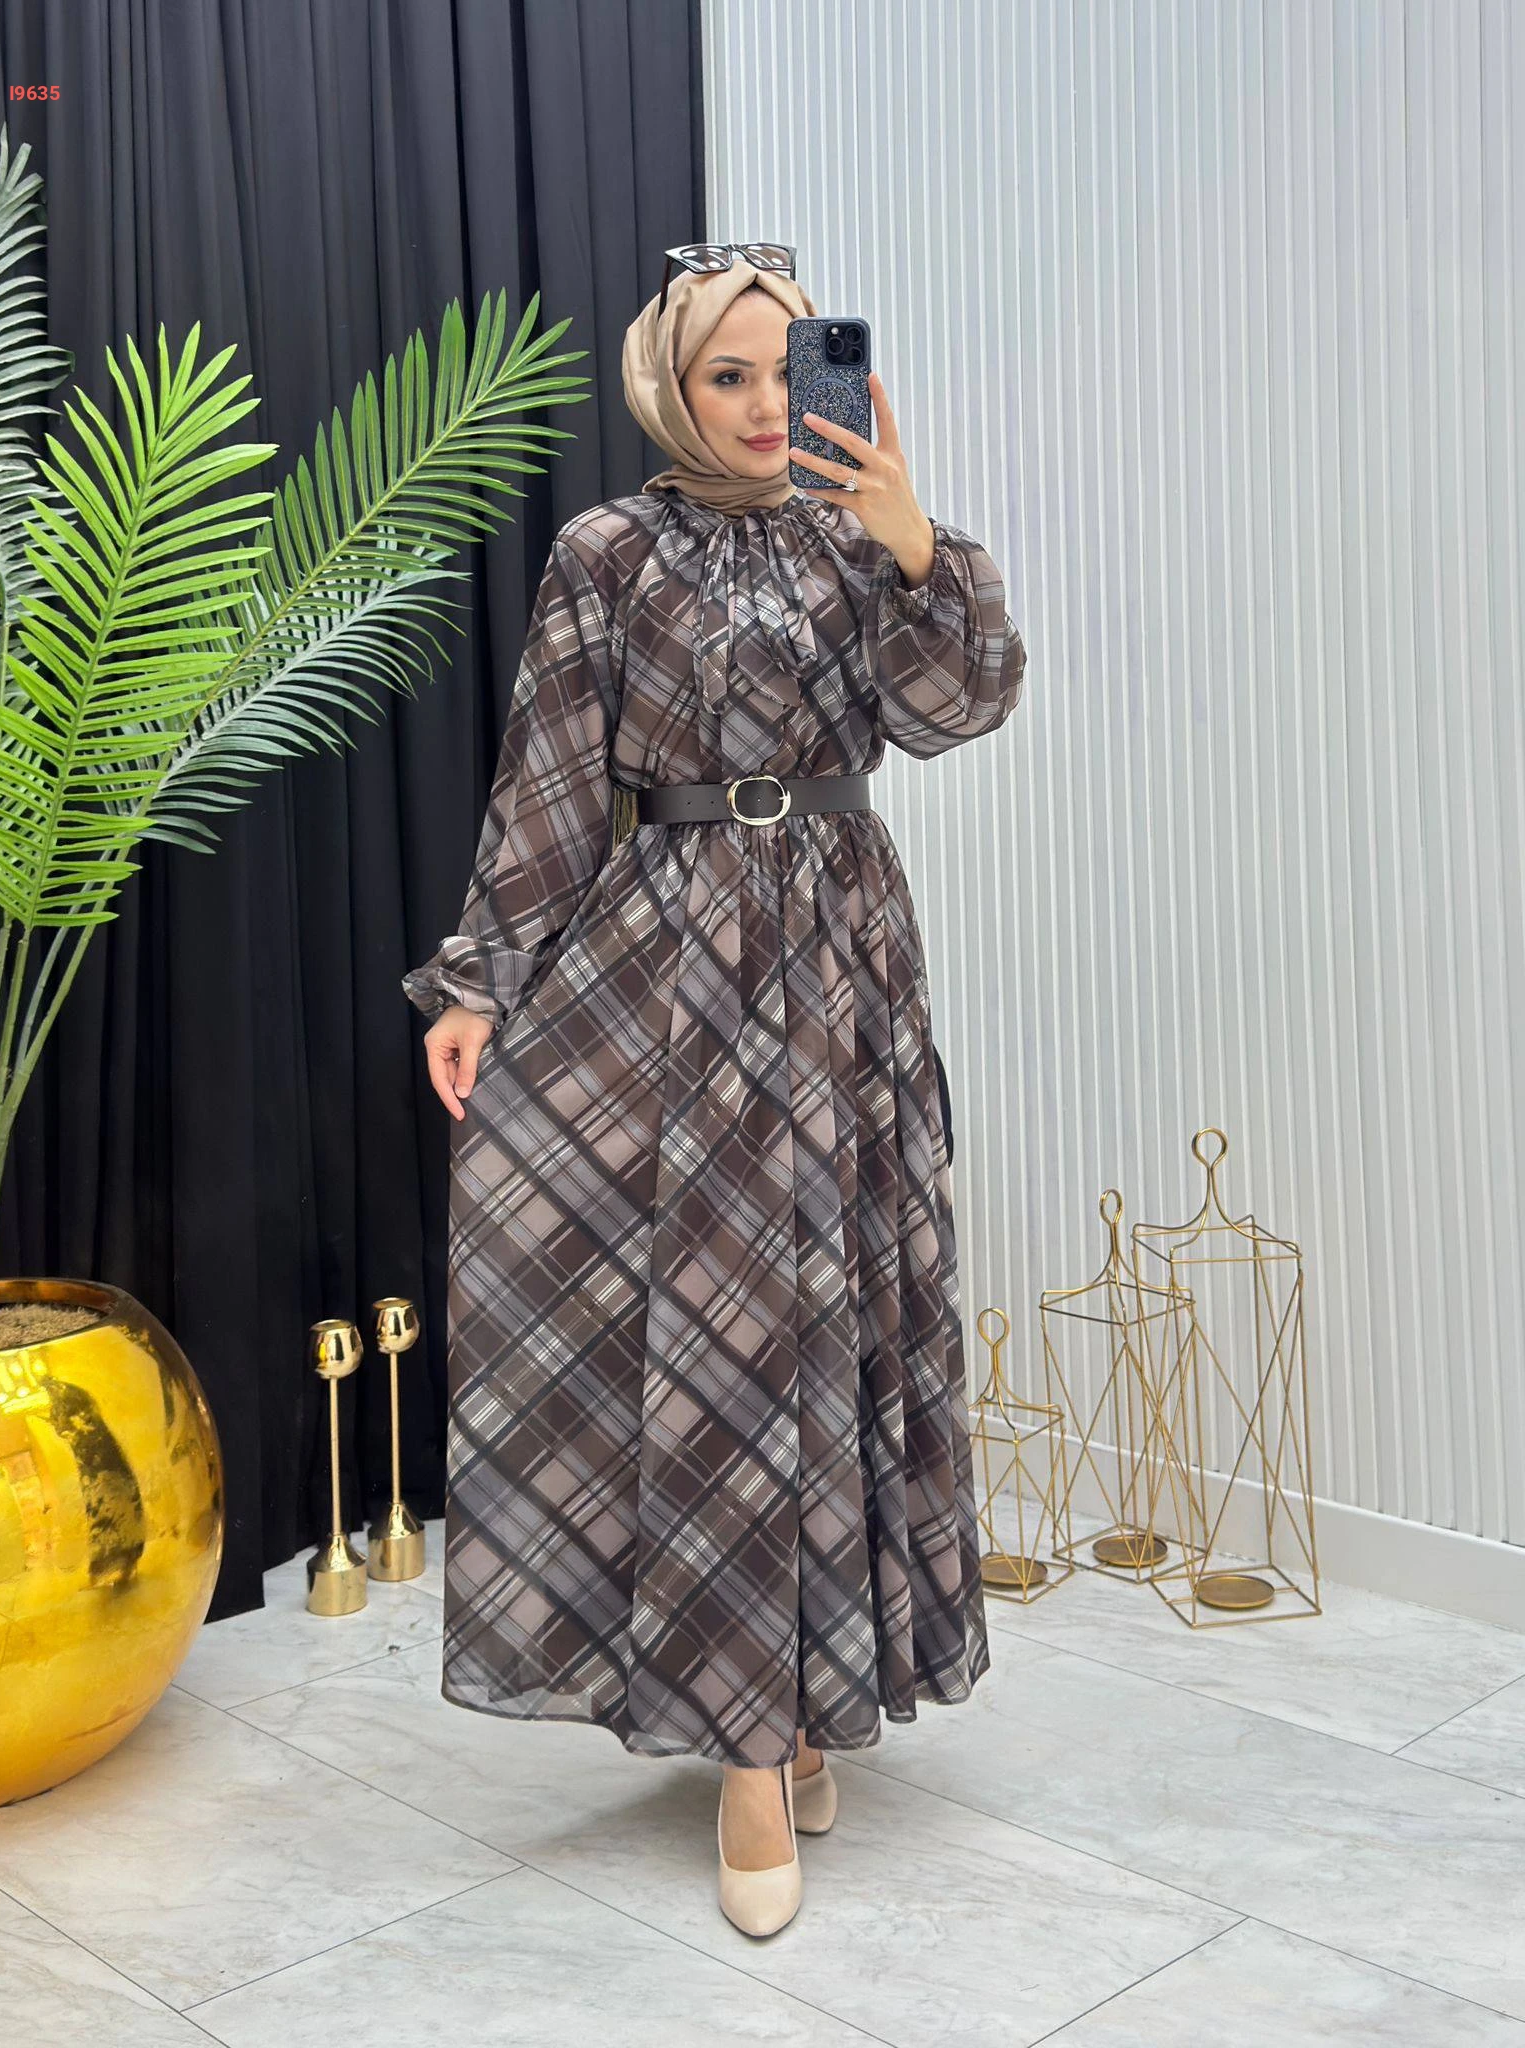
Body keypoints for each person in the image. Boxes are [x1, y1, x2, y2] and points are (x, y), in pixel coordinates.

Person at [402, 251, 1028, 1939]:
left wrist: (913, 537)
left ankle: (809, 1695)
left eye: (783, 371)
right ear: (672, 387)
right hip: (667, 954)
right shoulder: (609, 550)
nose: (761, 407)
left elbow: (960, 706)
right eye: (725, 376)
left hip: (840, 955)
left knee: (831, 1316)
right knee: (719, 1331)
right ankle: (751, 1749)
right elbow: (550, 774)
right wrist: (480, 981)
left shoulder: (861, 535)